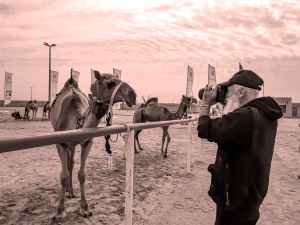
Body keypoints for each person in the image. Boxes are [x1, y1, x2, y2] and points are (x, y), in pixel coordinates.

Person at [197, 70, 283, 225]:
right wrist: (227, 104)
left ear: (242, 91)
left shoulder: (245, 115)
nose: (226, 94)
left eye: (229, 90)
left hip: (236, 198)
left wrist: (205, 105)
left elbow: (205, 129)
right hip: (252, 196)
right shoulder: (265, 114)